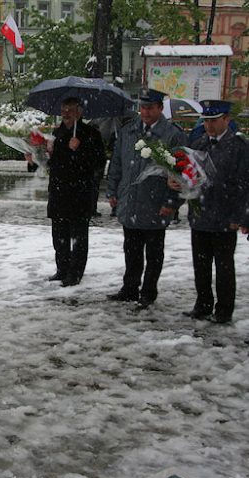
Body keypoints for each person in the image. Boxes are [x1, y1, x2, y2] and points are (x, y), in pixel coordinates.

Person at [106, 88, 187, 308]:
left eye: (150, 108)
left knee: (153, 252)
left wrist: (172, 202)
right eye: (142, 107)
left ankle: (148, 291)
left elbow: (182, 172)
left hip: (155, 203)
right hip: (130, 201)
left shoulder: (172, 134)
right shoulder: (129, 131)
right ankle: (130, 287)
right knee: (131, 250)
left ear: (160, 108)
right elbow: (117, 164)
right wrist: (112, 191)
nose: (145, 112)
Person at [169, 100, 249, 324]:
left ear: (227, 120)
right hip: (201, 215)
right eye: (206, 121)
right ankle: (203, 304)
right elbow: (188, 175)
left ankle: (224, 310)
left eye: (214, 121)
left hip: (225, 217)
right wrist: (176, 182)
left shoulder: (239, 147)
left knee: (224, 267)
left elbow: (244, 184)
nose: (209, 125)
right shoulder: (199, 143)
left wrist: (239, 216)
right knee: (201, 265)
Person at [27, 98, 106, 287]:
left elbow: (98, 163)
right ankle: (62, 269)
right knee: (59, 236)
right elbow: (48, 164)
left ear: (80, 112)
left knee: (78, 237)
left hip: (80, 193)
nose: (66, 113)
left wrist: (80, 150)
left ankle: (76, 272)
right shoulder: (56, 133)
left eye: (70, 110)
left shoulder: (90, 134)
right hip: (58, 192)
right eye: (63, 110)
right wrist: (32, 160)